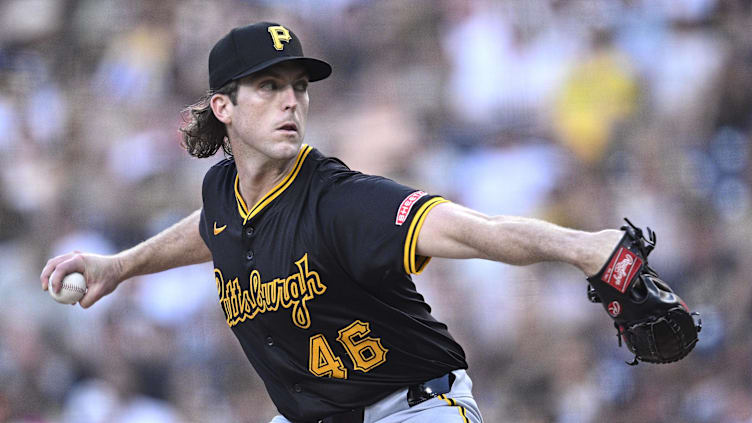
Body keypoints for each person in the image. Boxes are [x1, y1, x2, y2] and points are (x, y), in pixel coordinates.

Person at [41, 22, 622, 423]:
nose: (291, 100)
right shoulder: (224, 191)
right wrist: (118, 266)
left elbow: (475, 230)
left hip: (410, 408)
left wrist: (585, 247)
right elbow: (211, 228)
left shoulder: (341, 201)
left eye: (298, 86)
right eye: (269, 86)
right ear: (224, 107)